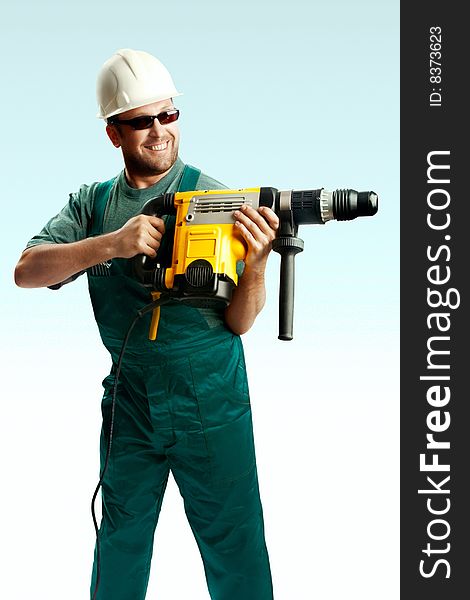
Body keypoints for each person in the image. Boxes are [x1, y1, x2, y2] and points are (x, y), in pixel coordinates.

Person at [14, 49, 278, 599]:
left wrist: (254, 265)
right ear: (114, 133)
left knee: (235, 545)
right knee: (120, 541)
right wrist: (112, 243)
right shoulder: (93, 205)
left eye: (169, 116)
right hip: (131, 403)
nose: (160, 131)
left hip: (210, 400)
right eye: (141, 121)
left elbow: (241, 321)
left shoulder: (217, 199)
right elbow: (25, 271)